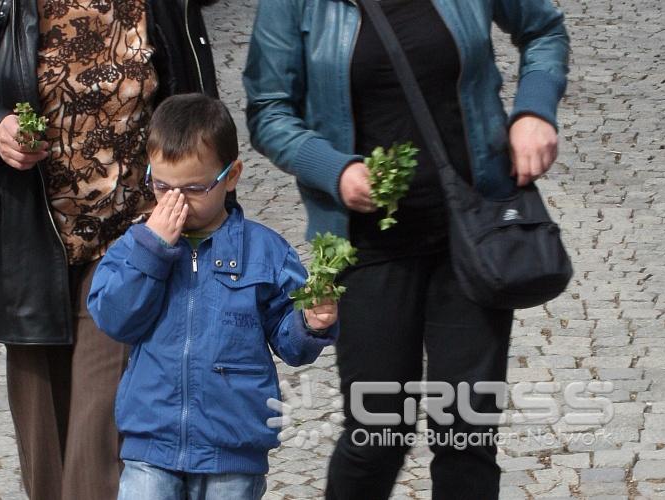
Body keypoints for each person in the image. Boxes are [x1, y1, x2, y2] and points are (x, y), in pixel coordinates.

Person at [243, 0, 569, 499]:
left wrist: (533, 111)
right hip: (367, 246)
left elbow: (543, 29)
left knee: (466, 434)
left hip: (472, 238)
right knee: (377, 434)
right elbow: (269, 109)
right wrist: (335, 168)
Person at [0, 1, 220, 498]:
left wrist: (215, 227)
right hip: (28, 244)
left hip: (129, 242)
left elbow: (199, 108)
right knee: (45, 461)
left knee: (100, 447)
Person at [86, 93, 340, 500]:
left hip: (233, 446)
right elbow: (114, 319)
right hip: (152, 442)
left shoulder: (265, 251)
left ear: (232, 175)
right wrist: (153, 250)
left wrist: (309, 323)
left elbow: (291, 344)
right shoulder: (136, 245)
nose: (174, 201)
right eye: (162, 185)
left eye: (193, 188)